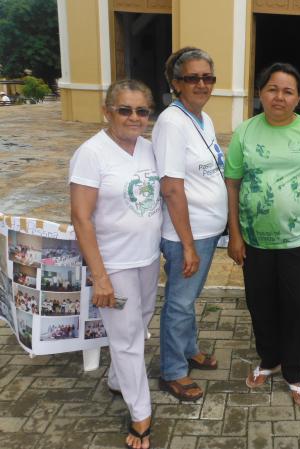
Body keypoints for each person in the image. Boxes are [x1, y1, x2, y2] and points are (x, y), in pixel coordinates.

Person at [225, 62, 300, 407]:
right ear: (260, 93)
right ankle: (268, 360)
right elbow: (232, 184)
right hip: (255, 240)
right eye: (272, 89)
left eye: (288, 91)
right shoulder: (245, 131)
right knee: (260, 303)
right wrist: (234, 233)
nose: (279, 96)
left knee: (297, 306)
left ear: (298, 97)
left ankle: (294, 371)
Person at [70, 79, 160, 449]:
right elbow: (81, 218)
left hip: (148, 258)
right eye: (125, 109)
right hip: (115, 265)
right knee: (126, 340)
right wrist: (100, 277)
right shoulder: (91, 154)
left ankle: (117, 380)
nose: (134, 117)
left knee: (139, 323)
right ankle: (141, 415)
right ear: (106, 111)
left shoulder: (149, 149)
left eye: (142, 111)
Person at [152, 47, 226, 402]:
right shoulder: (171, 122)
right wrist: (188, 243)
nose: (201, 83)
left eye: (207, 77)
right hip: (187, 234)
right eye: (192, 77)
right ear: (175, 83)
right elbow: (171, 187)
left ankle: (188, 348)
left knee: (189, 298)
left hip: (206, 230)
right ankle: (172, 370)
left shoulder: (202, 118)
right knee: (179, 303)